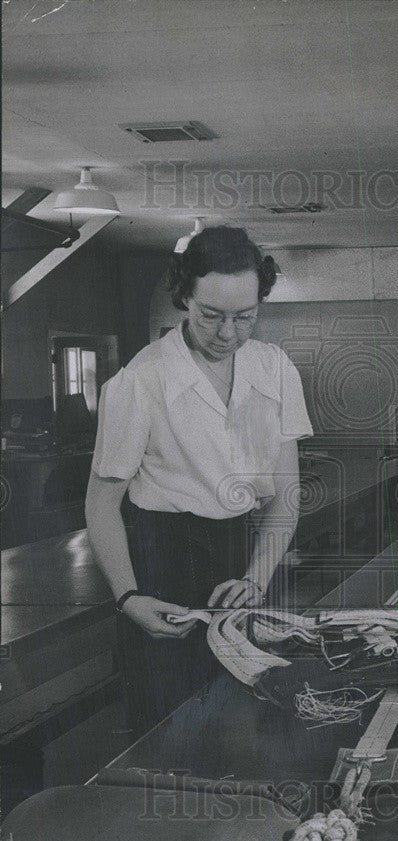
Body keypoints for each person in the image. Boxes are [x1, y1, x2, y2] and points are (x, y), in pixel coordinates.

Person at [85, 226, 313, 731]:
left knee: (243, 721)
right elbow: (101, 506)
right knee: (171, 734)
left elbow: (285, 496)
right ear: (184, 297)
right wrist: (128, 598)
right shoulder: (140, 382)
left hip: (242, 561)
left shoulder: (273, 370)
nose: (228, 334)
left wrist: (257, 577)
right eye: (211, 315)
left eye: (245, 317)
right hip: (161, 566)